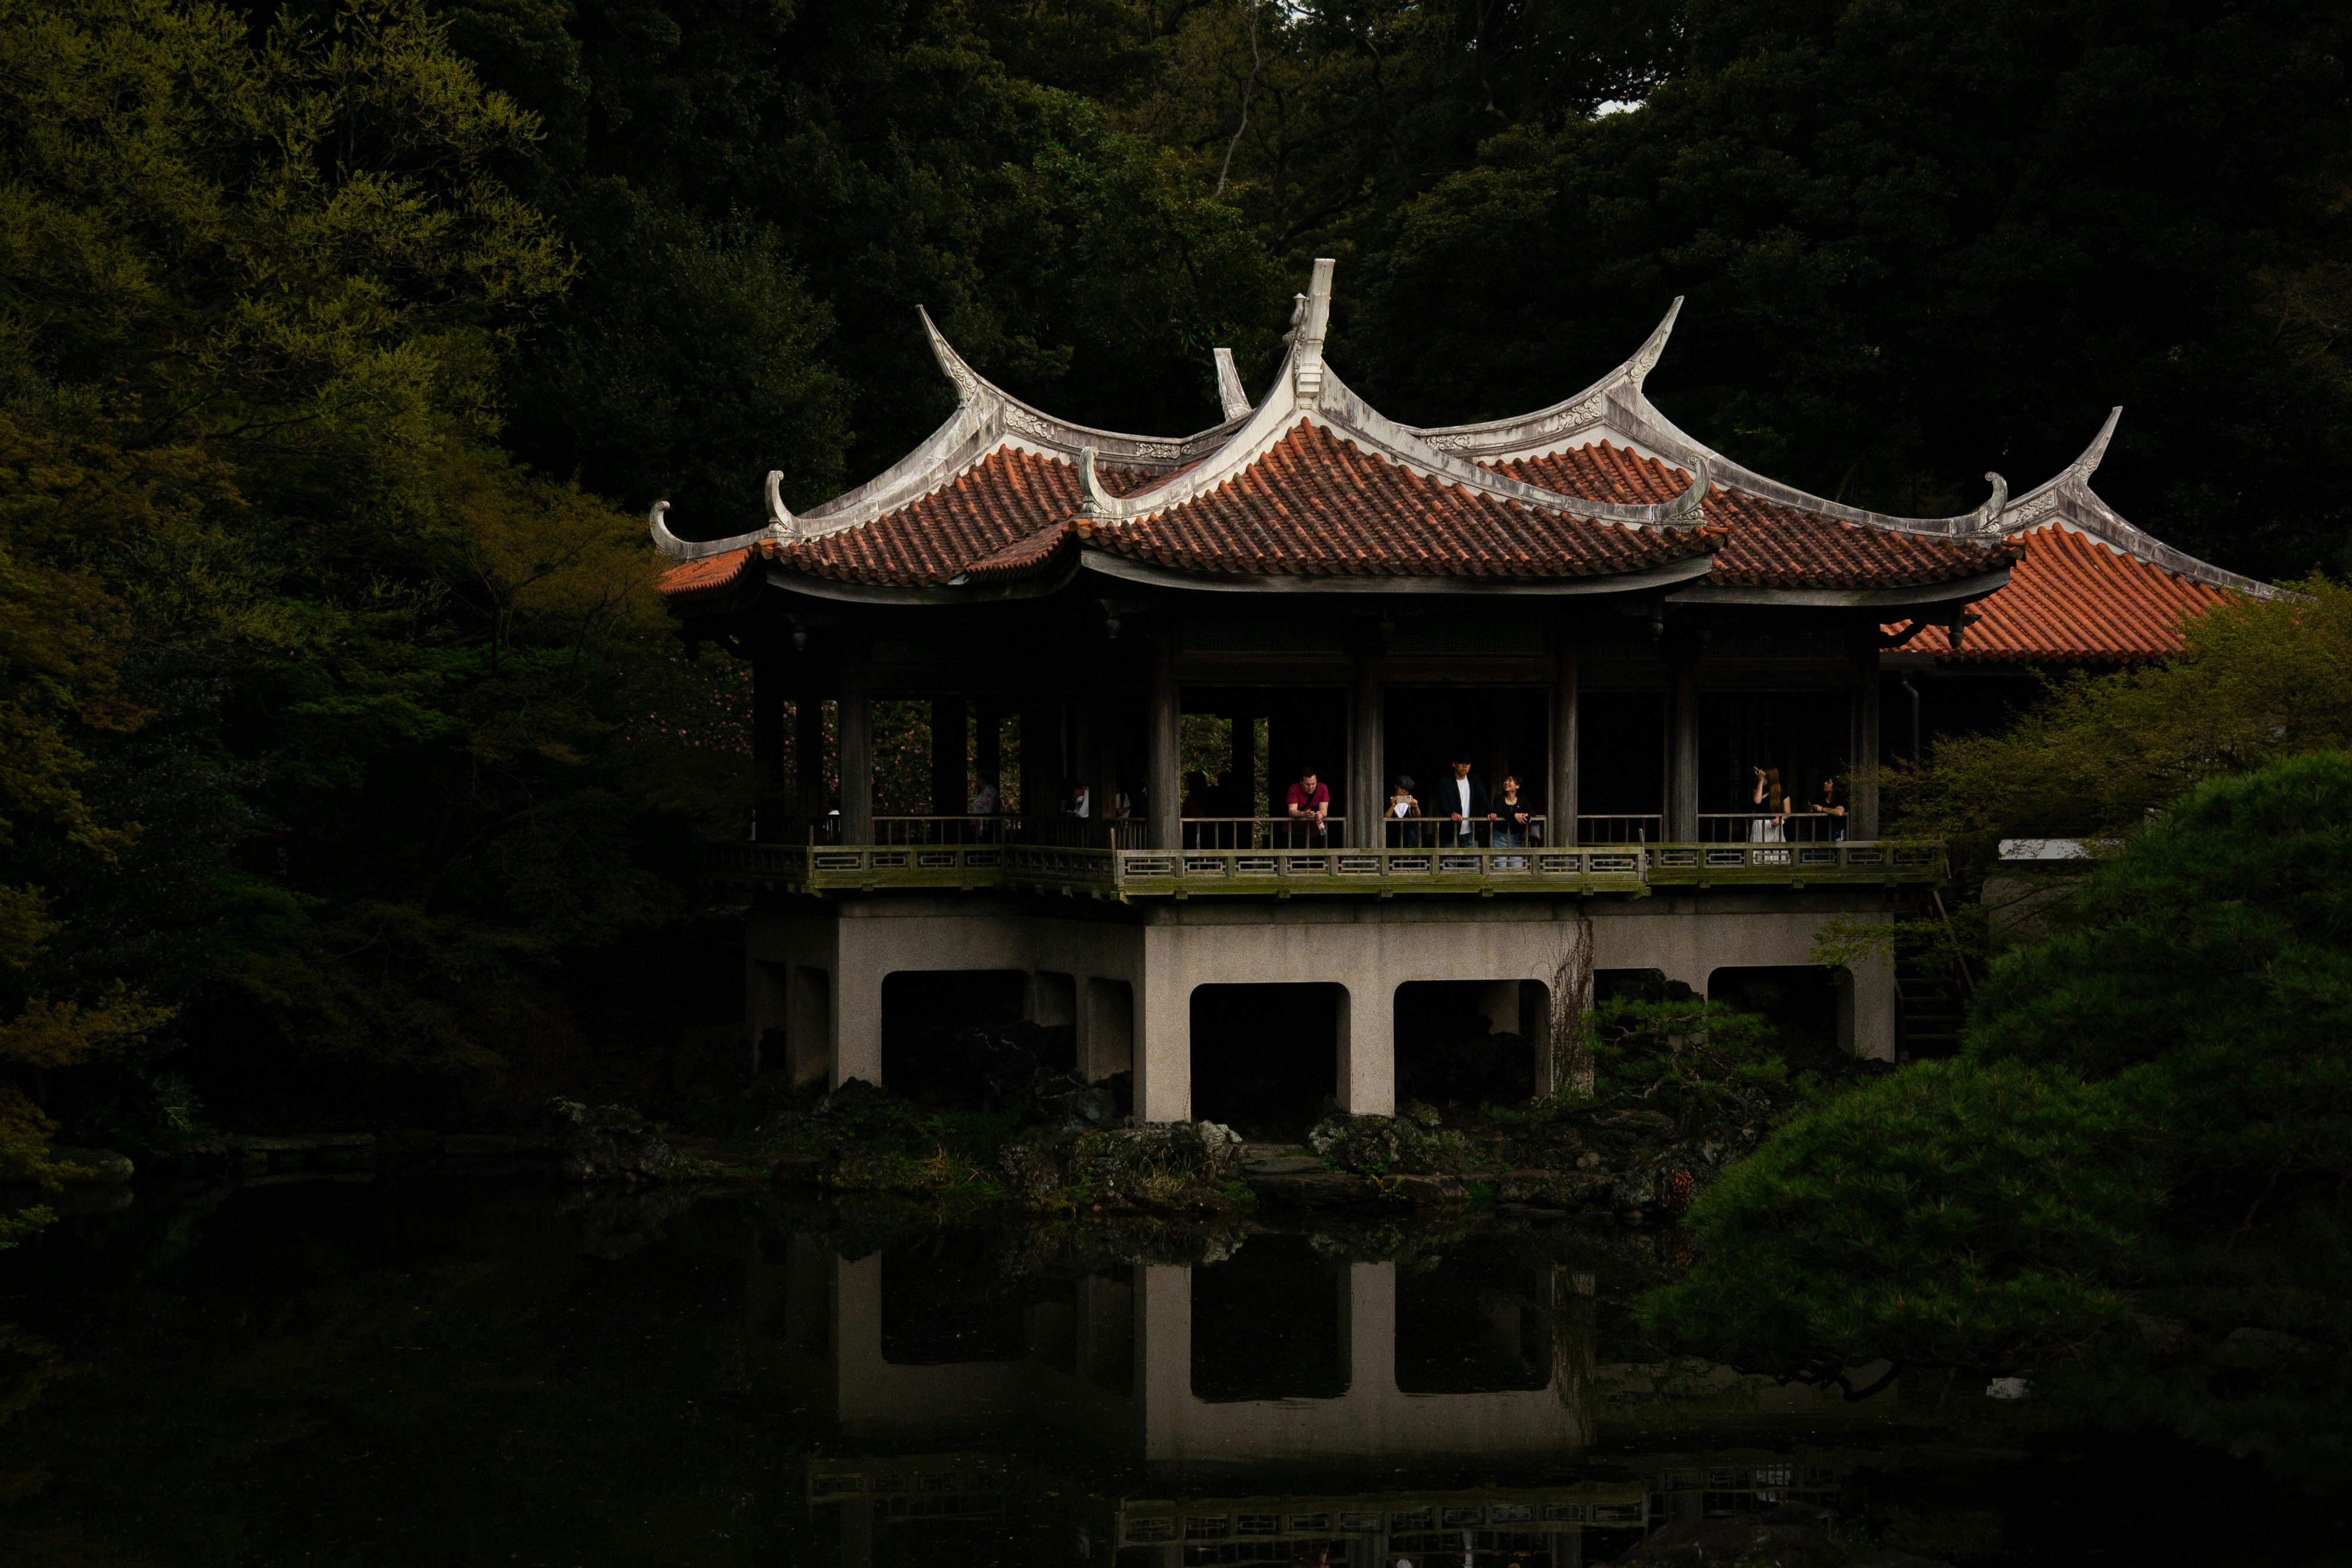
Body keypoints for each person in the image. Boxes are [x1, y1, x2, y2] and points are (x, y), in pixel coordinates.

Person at [1441, 751, 1493, 847]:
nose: (1465, 766)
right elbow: (1442, 804)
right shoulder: (1446, 782)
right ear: (1454, 764)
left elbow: (1483, 797)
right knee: (1450, 861)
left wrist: (1491, 810)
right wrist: (1451, 813)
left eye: (1468, 764)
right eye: (1461, 763)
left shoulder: (1474, 779)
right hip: (1451, 830)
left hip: (1470, 830)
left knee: (1473, 861)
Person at [1284, 766, 1331, 845]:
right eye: (1307, 784)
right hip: (1293, 832)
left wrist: (1320, 814)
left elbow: (1324, 811)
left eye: (1313, 784)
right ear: (1301, 782)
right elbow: (1292, 811)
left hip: (1313, 833)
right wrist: (1304, 814)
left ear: (1317, 780)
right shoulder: (1294, 789)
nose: (1311, 787)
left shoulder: (1323, 788)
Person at [1750, 765, 1787, 843]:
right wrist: (1760, 782)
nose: (1763, 778)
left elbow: (1788, 813)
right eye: (1762, 776)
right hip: (1760, 825)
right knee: (1760, 851)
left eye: (1765, 777)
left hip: (1775, 825)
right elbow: (1757, 801)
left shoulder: (1782, 791)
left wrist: (1780, 820)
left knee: (1775, 851)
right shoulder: (1758, 789)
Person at [1386, 774, 1421, 848]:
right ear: (1396, 786)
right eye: (1401, 788)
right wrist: (1393, 806)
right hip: (1391, 840)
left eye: (1407, 790)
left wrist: (1415, 807)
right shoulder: (1388, 801)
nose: (1404, 791)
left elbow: (1417, 816)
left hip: (1408, 841)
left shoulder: (1410, 801)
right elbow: (1385, 818)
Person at [1818, 774, 1846, 841]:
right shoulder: (1821, 798)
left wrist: (1822, 809)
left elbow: (1840, 813)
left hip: (1834, 832)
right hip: (1821, 833)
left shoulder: (1839, 799)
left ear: (1834, 787)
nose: (1825, 783)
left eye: (1829, 782)